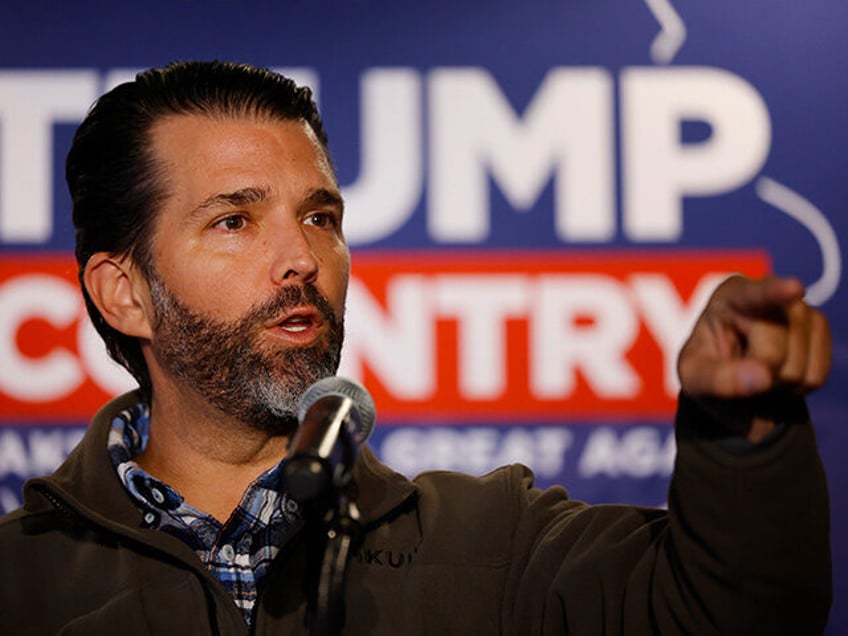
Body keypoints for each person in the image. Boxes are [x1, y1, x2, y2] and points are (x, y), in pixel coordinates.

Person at [0, 61, 832, 635]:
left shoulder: (491, 540)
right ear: (126, 292)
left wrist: (740, 433)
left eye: (321, 217)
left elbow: (731, 612)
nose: (302, 259)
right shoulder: (20, 582)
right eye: (234, 221)